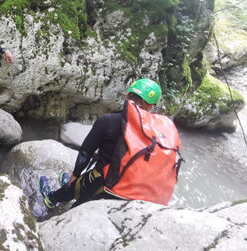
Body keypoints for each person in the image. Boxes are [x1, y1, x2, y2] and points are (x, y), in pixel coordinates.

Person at [38, 78, 182, 208]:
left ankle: (51, 199)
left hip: (106, 183)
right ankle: (71, 189)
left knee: (80, 187)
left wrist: (75, 174)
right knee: (82, 184)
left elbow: (86, 152)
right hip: (137, 187)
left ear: (128, 95)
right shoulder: (154, 130)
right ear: (150, 106)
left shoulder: (107, 121)